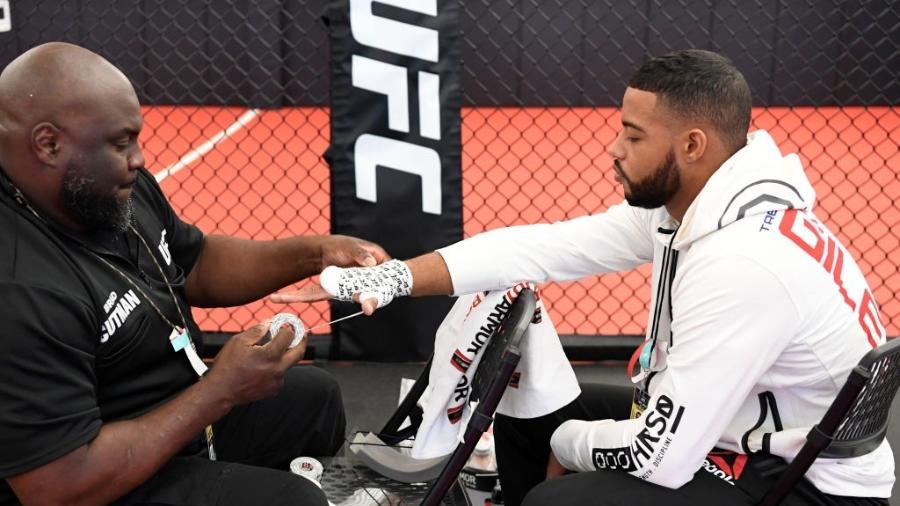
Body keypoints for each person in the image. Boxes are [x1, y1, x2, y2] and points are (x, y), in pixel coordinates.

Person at [275, 49, 894, 505]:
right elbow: (543, 247)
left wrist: (569, 445)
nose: (614, 150)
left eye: (633, 135)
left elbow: (662, 459)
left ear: (694, 145)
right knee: (523, 407)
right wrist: (395, 279)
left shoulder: (744, 263)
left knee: (558, 491)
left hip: (802, 484)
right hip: (742, 431)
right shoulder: (702, 210)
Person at [0, 42, 390, 506]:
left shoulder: (106, 187)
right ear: (48, 144)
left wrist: (316, 252)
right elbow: (59, 487)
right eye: (121, 143)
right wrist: (220, 390)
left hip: (170, 412)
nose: (140, 159)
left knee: (313, 399)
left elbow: (196, 261)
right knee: (291, 501)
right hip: (95, 473)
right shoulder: (19, 287)